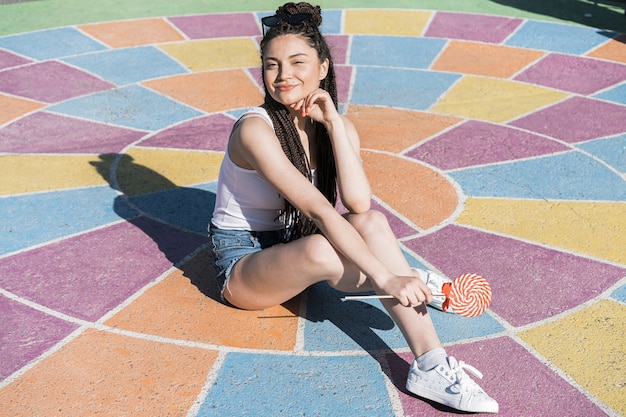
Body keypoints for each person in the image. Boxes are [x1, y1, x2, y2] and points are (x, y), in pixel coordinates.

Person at [208, 2, 499, 413]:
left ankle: (431, 363)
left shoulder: (332, 123)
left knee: (373, 222)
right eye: (271, 65)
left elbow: (358, 203)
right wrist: (390, 277)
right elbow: (321, 212)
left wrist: (335, 126)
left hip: (301, 246)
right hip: (246, 263)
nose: (283, 75)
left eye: (297, 62)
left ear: (323, 67)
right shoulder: (255, 129)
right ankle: (414, 280)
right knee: (322, 248)